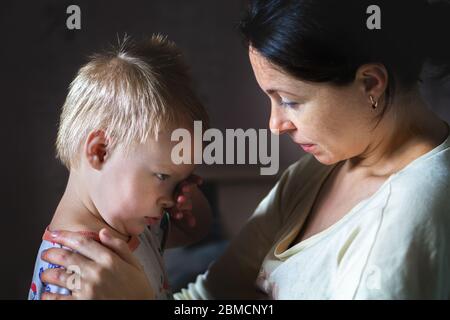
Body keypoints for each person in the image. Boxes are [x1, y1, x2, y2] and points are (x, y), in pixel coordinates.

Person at [40, 0, 450, 299]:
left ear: (370, 85)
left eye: (289, 99)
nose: (274, 125)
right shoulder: (322, 170)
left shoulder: (414, 213)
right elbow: (214, 299)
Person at [28, 34, 212, 300]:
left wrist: (188, 204)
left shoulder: (132, 220)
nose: (171, 197)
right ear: (100, 151)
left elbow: (198, 230)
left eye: (181, 181)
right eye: (163, 176)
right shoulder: (71, 272)